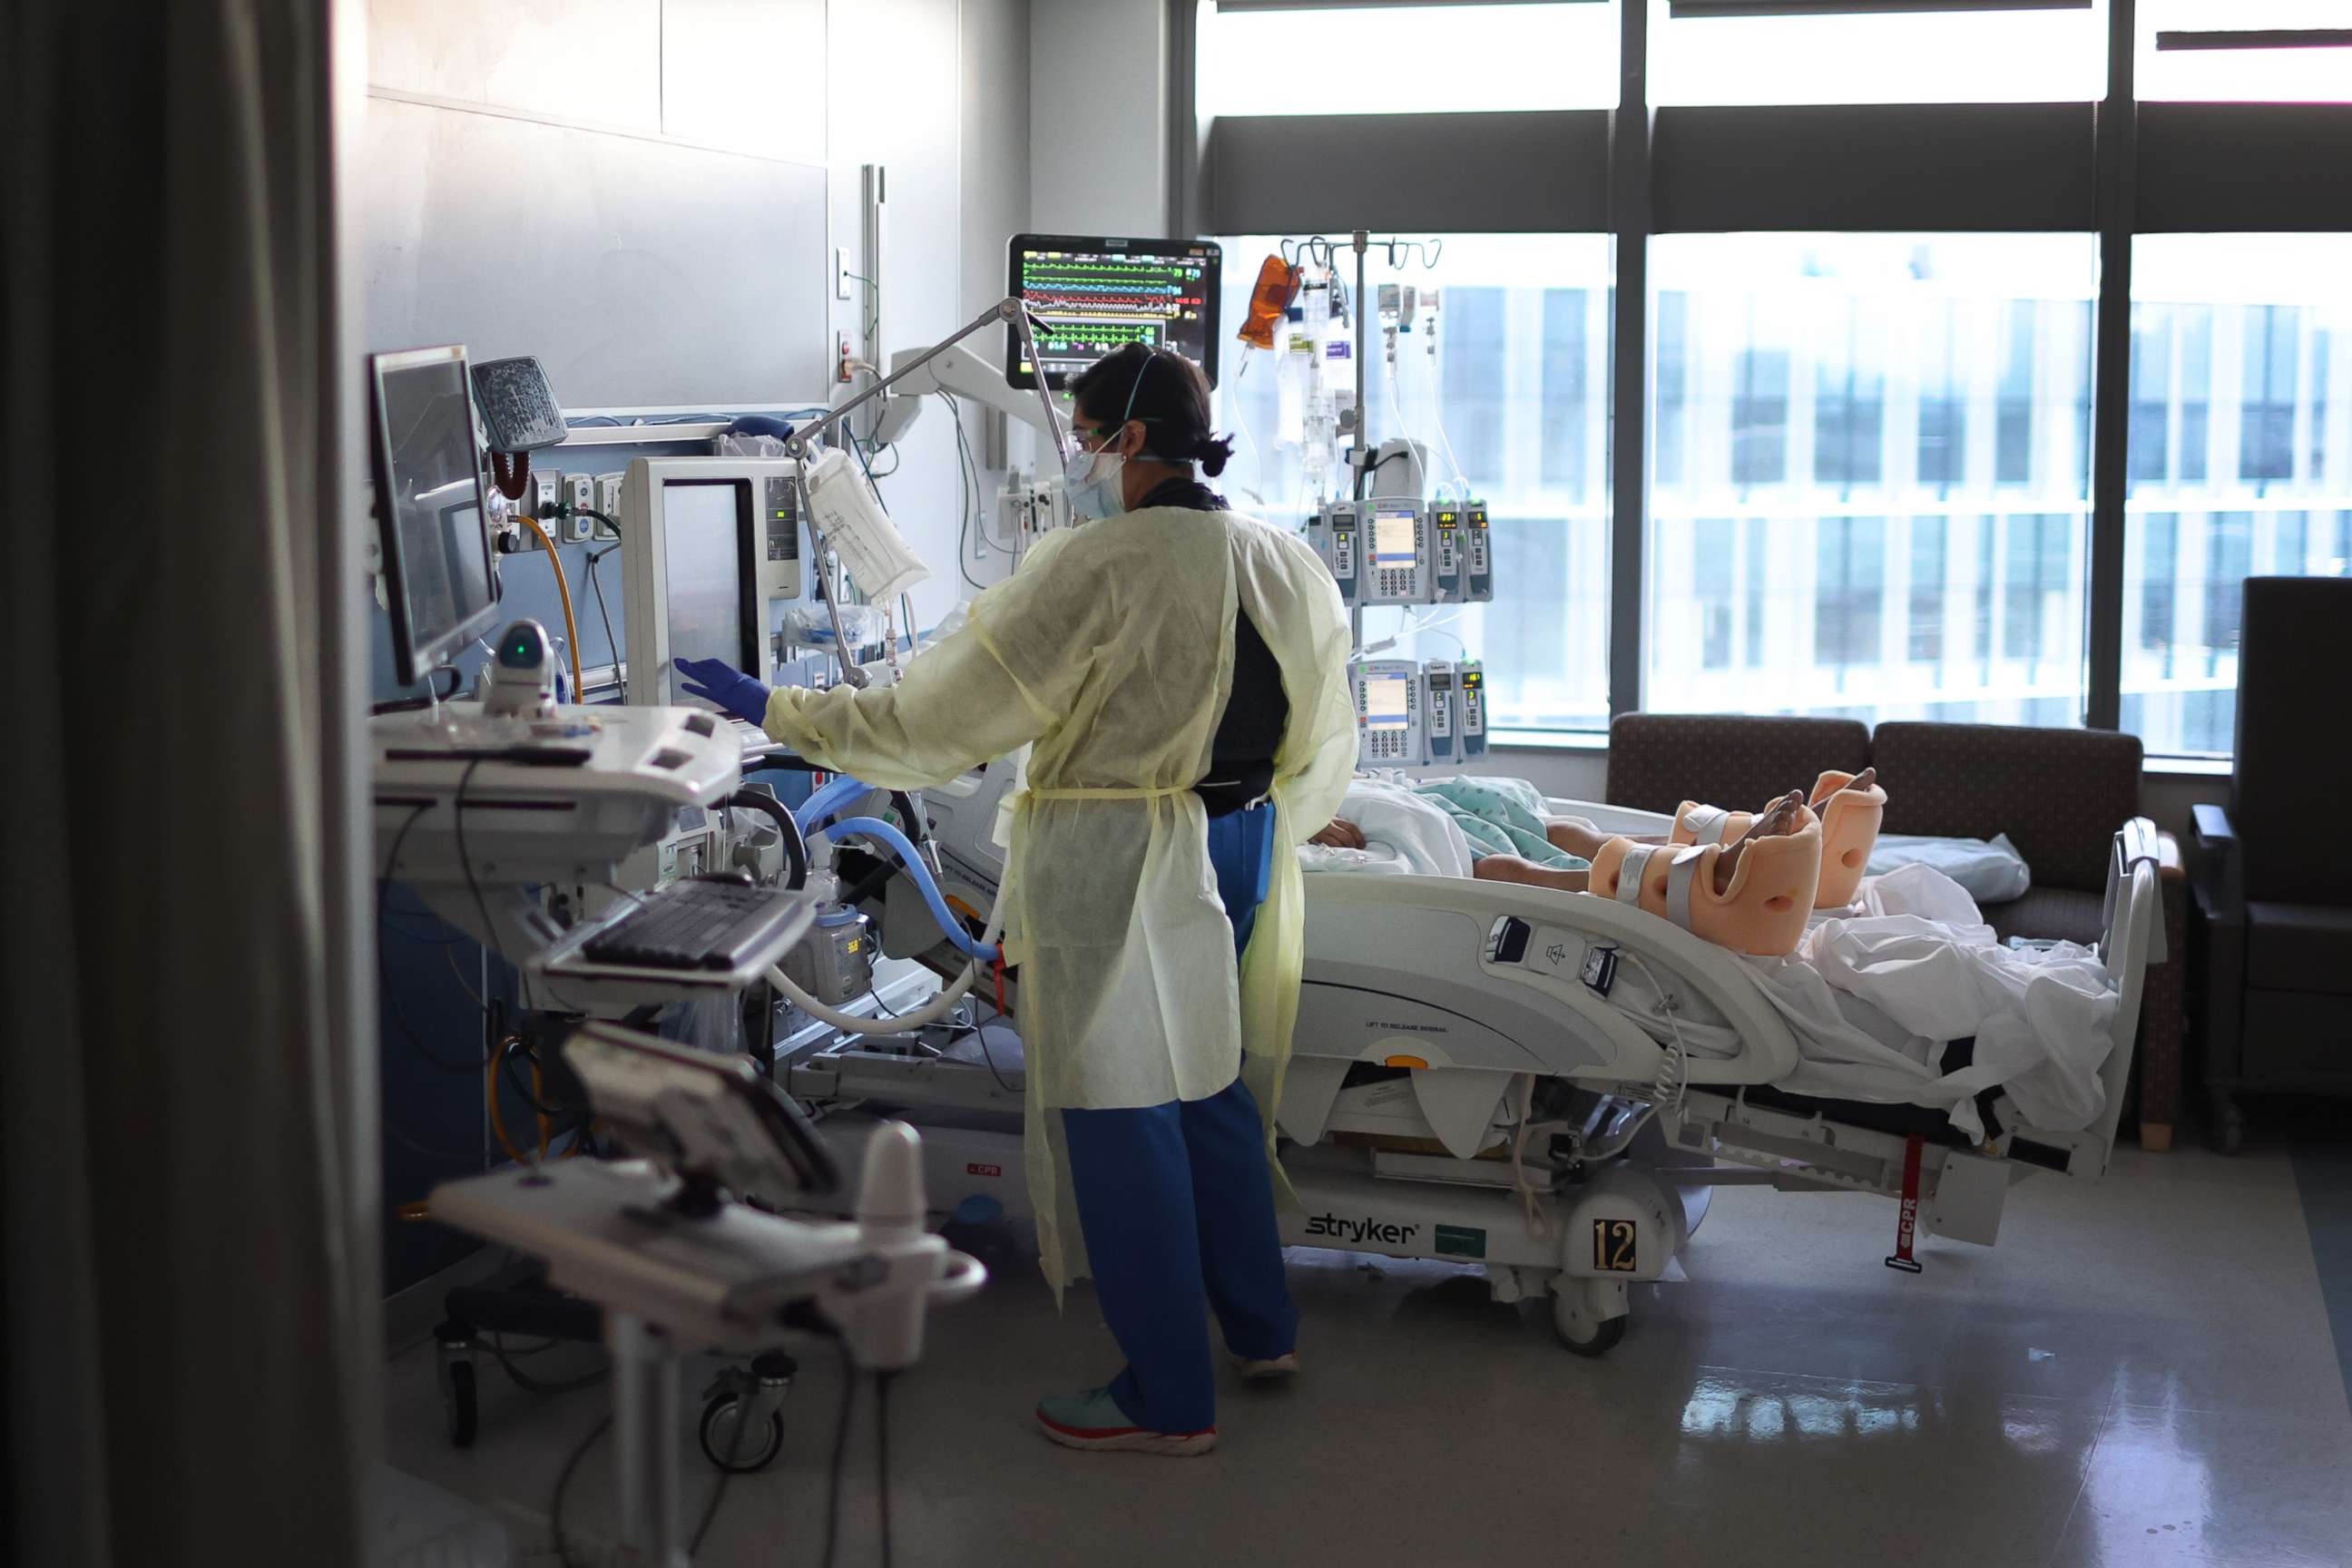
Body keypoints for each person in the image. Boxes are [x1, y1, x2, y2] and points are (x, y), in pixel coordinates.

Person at [674, 342, 1357, 1457]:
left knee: (1120, 1105)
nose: (1076, 460)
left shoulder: (1101, 566)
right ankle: (1260, 1326)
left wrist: (779, 709)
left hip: (1124, 855)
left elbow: (930, 725)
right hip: (1236, 838)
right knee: (1208, 1084)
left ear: (1130, 440)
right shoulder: (1278, 555)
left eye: (1084, 437)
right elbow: (1324, 713)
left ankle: (1167, 1397)